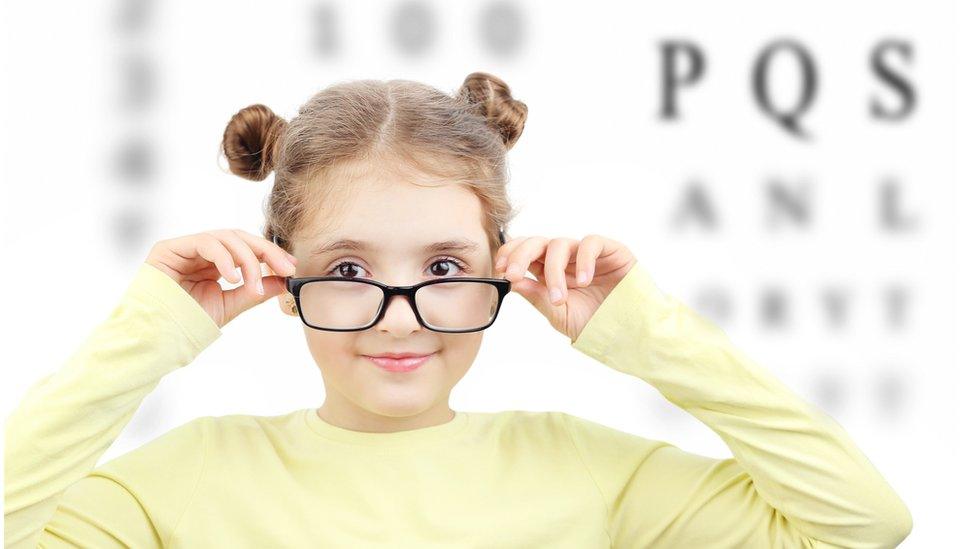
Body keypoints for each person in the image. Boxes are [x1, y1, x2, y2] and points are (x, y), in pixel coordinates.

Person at [4, 72, 912, 548]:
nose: (401, 318)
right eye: (348, 266)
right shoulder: (186, 479)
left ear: (504, 273)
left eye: (443, 265)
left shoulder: (584, 469)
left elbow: (859, 524)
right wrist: (149, 333)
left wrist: (645, 330)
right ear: (280, 282)